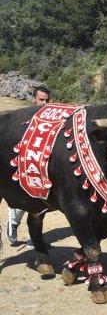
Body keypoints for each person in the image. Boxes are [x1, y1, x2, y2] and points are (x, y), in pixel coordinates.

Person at [6, 85, 51, 248]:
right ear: (34, 99)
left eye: (47, 100)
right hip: (23, 164)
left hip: (40, 165)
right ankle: (13, 221)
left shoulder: (50, 119)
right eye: (41, 100)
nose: (44, 103)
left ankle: (34, 240)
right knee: (24, 199)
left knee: (42, 202)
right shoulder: (23, 118)